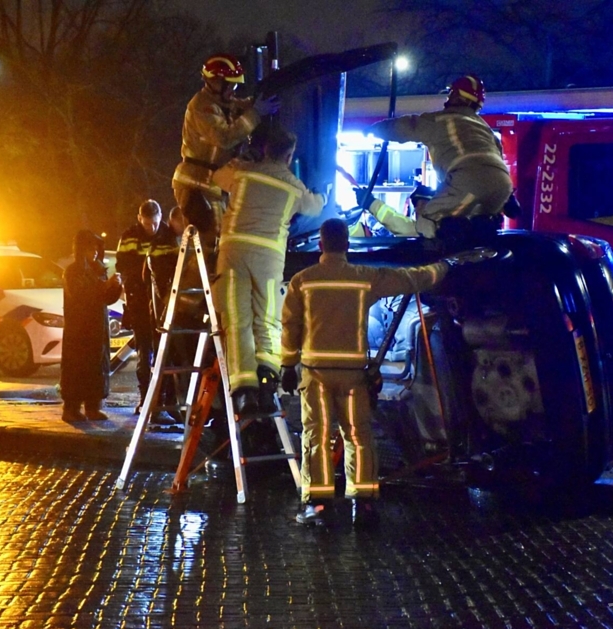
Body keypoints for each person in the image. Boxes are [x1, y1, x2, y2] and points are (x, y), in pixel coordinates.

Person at [280, 218, 450, 527]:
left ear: (320, 245)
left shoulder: (302, 281)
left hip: (315, 375)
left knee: (316, 436)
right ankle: (363, 504)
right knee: (358, 436)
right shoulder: (364, 278)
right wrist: (444, 266)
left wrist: (287, 364)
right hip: (353, 376)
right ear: (347, 245)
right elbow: (410, 279)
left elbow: (290, 325)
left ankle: (318, 506)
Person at [213, 121, 326, 416]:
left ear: (264, 150)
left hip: (233, 254)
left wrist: (241, 158)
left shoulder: (243, 172)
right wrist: (322, 193)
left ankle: (244, 391)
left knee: (237, 320)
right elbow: (315, 207)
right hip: (269, 259)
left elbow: (216, 176)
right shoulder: (293, 185)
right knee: (267, 320)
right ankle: (266, 381)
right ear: (289, 156)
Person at [364, 75, 513, 239]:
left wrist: (373, 130)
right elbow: (496, 161)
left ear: (456, 96)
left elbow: (406, 127)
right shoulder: (485, 129)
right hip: (503, 187)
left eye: (450, 94)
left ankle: (444, 250)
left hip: (469, 182)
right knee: (478, 221)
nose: (448, 98)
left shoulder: (440, 120)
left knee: (429, 221)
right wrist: (509, 198)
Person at [172, 53, 280, 258]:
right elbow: (224, 137)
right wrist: (256, 113)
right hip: (196, 183)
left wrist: (258, 103)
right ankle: (203, 275)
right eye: (231, 84)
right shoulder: (202, 106)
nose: (233, 89)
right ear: (215, 82)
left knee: (221, 239)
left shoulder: (223, 103)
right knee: (210, 242)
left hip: (213, 183)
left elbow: (241, 106)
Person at [61, 230, 123, 423]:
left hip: (98, 328)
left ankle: (92, 407)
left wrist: (115, 287)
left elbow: (104, 299)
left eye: (96, 248)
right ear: (81, 250)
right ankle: (71, 408)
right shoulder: (73, 271)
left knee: (96, 367)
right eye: (90, 248)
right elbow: (81, 295)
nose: (95, 252)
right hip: (79, 331)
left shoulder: (97, 270)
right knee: (77, 368)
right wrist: (104, 285)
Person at [116, 199, 161, 412]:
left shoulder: (166, 235)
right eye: (147, 223)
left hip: (162, 304)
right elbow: (122, 266)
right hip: (140, 303)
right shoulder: (129, 237)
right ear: (139, 219)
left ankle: (160, 399)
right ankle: (145, 398)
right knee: (144, 350)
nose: (152, 228)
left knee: (163, 353)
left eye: (155, 223)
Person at [351, 184, 436, 238]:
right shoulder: (423, 229)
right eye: (416, 205)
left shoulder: (427, 230)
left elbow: (397, 223)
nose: (417, 209)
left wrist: (371, 203)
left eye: (422, 204)